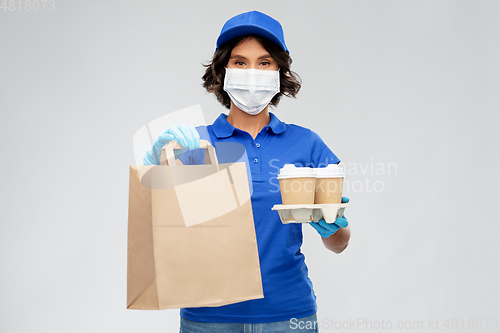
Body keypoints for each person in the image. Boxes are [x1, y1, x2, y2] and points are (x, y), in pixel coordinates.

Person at [143, 10, 351, 333]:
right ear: (222, 70)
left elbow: (340, 243)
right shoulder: (196, 144)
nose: (252, 72)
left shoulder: (306, 144)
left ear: (279, 70)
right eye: (240, 62)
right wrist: (156, 171)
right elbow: (164, 231)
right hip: (207, 321)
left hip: (289, 318)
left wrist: (329, 223)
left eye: (264, 62)